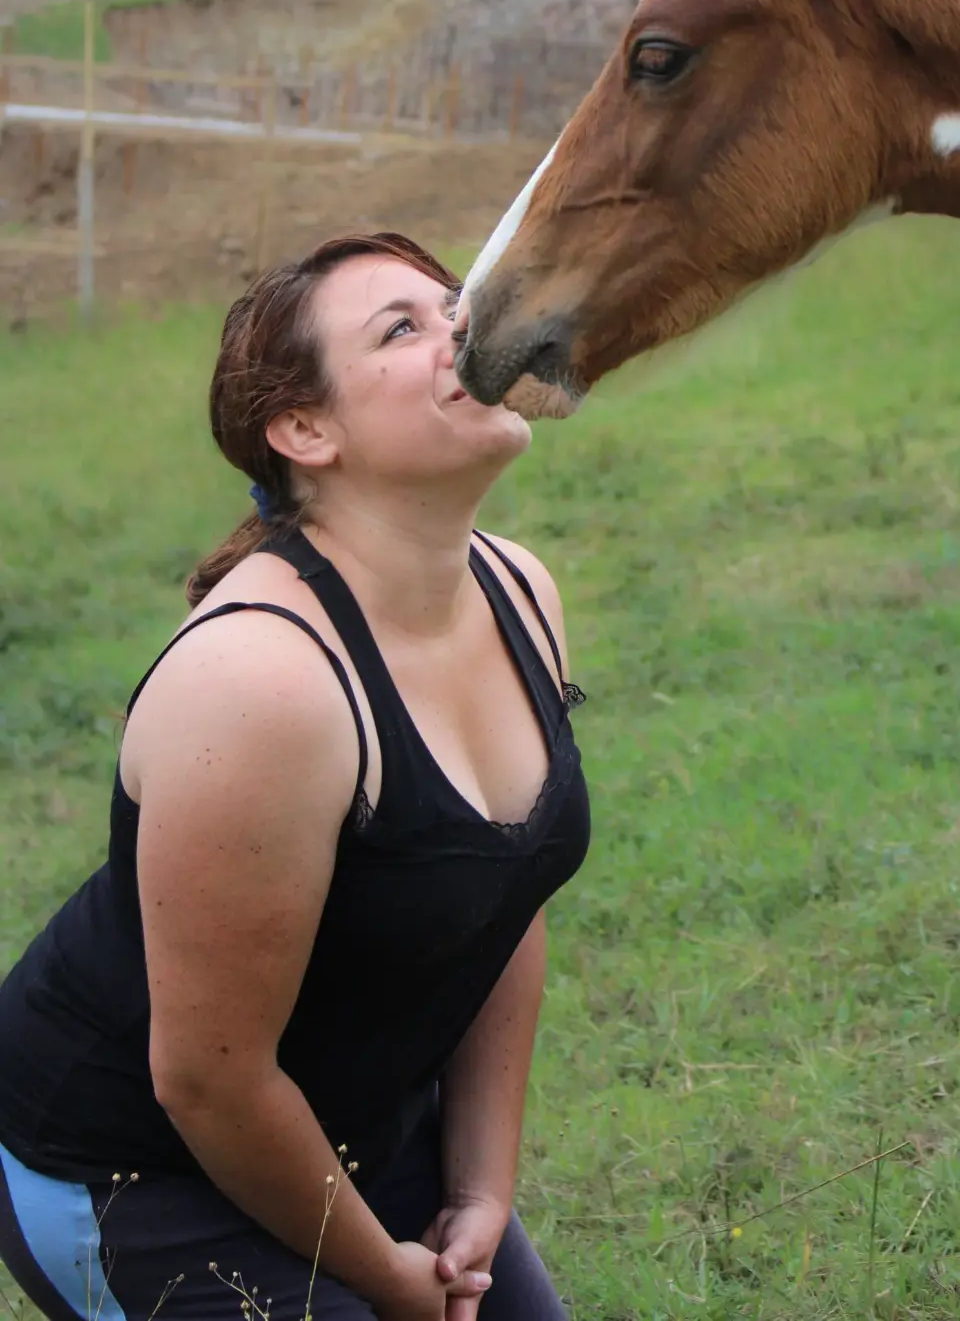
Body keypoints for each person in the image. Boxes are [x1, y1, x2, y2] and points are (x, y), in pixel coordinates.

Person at [0, 233, 590, 1321]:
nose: (462, 330)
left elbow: (504, 900)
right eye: (401, 329)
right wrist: (383, 1277)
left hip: (349, 1128)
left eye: (452, 308)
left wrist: (480, 1186)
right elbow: (206, 1078)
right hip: (139, 1166)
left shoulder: (521, 592)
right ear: (305, 430)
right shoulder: (259, 682)